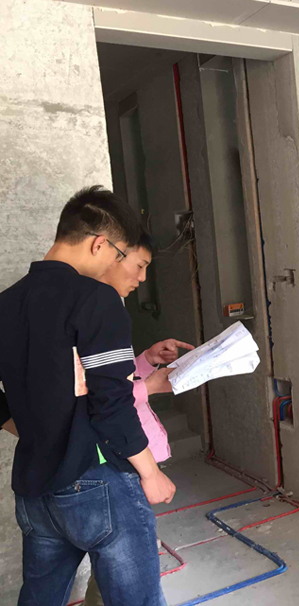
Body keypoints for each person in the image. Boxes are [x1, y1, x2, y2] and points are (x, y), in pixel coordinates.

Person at [0, 186, 176, 605]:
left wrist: (29, 426)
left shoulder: (5, 304)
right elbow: (111, 403)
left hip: (34, 488)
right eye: (120, 255)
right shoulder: (95, 298)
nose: (121, 266)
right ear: (100, 244)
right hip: (96, 482)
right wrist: (151, 473)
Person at [83, 230, 195, 606]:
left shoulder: (104, 307)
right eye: (140, 265)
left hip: (122, 455)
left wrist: (146, 360)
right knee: (127, 570)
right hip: (115, 461)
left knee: (113, 567)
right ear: (106, 251)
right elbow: (95, 397)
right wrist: (149, 388)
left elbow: (111, 377)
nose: (142, 278)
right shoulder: (93, 309)